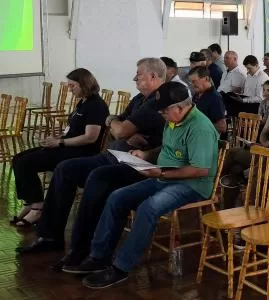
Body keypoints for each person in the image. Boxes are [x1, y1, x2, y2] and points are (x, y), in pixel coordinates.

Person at [70, 82, 220, 289]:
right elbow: (167, 148)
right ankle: (99, 256)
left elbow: (201, 170)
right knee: (117, 197)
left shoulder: (200, 127)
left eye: (165, 110)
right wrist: (146, 155)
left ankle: (121, 267)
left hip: (191, 185)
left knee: (148, 208)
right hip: (166, 177)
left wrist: (161, 172)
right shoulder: (174, 119)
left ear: (181, 106)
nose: (162, 114)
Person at [16, 58, 168, 261]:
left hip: (136, 164)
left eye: (138, 74)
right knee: (64, 168)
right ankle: (50, 235)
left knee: (96, 179)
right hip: (115, 155)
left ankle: (83, 250)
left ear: (153, 76)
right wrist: (120, 127)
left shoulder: (157, 101)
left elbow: (118, 128)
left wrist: (120, 128)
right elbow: (114, 122)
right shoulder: (139, 99)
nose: (134, 78)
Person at [10, 69, 110, 227]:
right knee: (18, 159)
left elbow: (90, 137)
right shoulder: (82, 101)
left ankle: (38, 207)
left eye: (72, 86)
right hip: (66, 147)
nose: (69, 89)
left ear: (84, 84)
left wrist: (60, 143)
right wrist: (57, 139)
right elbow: (73, 130)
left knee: (26, 163)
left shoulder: (95, 105)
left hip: (80, 152)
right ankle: (30, 202)